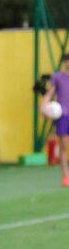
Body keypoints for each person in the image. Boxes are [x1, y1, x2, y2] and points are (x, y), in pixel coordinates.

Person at [42, 54, 69, 187]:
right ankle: (66, 177)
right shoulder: (58, 77)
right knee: (64, 146)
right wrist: (44, 108)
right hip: (63, 116)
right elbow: (49, 94)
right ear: (65, 62)